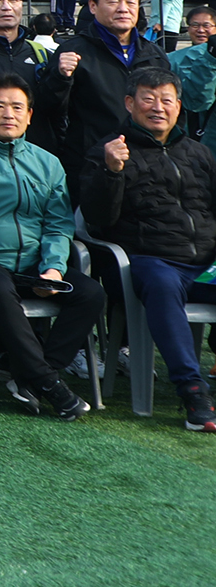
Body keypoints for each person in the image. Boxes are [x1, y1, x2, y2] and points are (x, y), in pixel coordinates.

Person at [0, 72, 100, 421]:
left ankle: (33, 377)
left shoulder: (47, 162)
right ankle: (48, 383)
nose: (8, 114)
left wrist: (53, 265)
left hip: (35, 263)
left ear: (29, 115)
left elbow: (58, 223)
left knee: (90, 294)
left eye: (17, 107)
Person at [83, 65, 216, 428]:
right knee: (161, 283)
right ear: (130, 103)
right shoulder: (108, 151)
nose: (158, 107)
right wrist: (111, 172)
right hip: (151, 261)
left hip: (205, 264)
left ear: (178, 105)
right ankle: (192, 391)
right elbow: (97, 219)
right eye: (148, 99)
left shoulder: (199, 154)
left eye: (166, 100)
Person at [37, 0, 166, 190]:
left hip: (148, 168)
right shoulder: (73, 52)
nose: (123, 8)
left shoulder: (154, 55)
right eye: (113, 1)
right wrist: (60, 78)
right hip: (92, 167)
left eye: (130, 2)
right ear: (93, 6)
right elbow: (47, 108)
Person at [170, 7, 216, 140]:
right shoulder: (173, 58)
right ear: (188, 28)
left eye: (206, 25)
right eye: (195, 25)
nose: (200, 30)